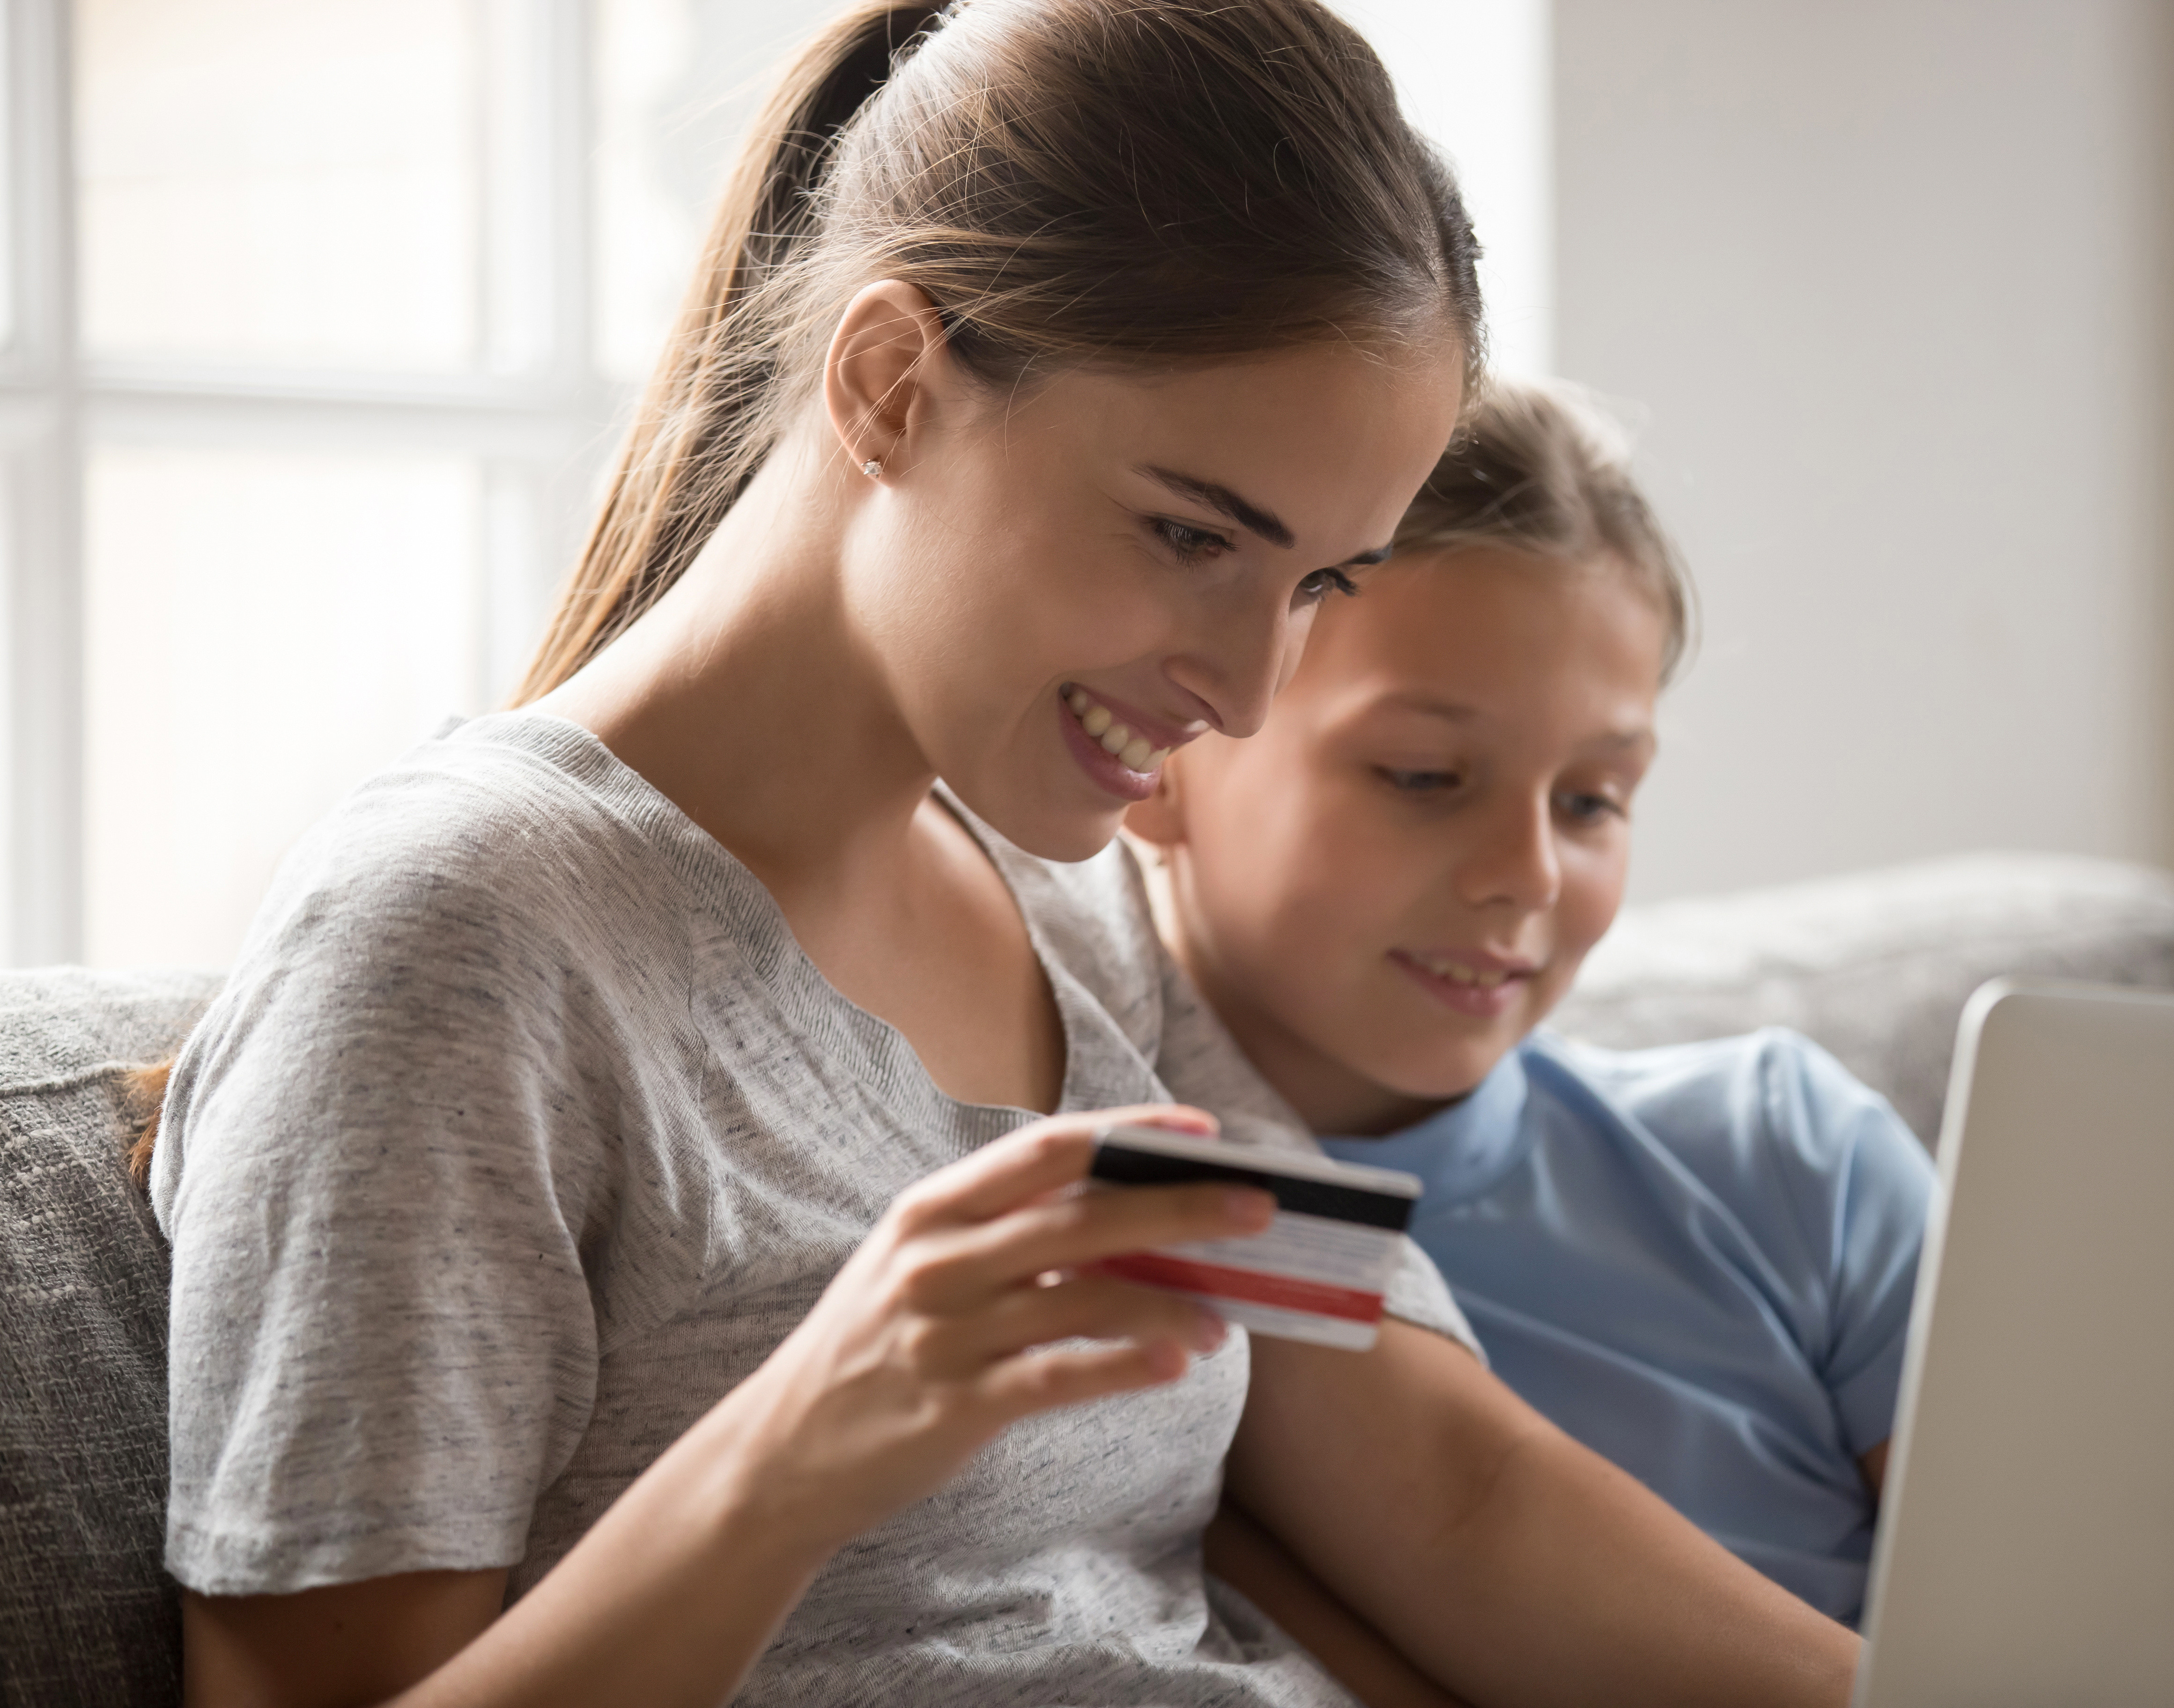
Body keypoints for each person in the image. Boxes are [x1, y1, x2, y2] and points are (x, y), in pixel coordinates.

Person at [142, 6, 1862, 1707]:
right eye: (1193, 534)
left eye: (1322, 582)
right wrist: (798, 1451)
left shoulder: (1079, 912)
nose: (1253, 692)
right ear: (892, 386)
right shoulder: (458, 942)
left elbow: (1455, 1495)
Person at [1134, 379, 1938, 1633]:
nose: (1528, 875)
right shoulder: (1130, 1233)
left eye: (1592, 800)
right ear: (1165, 756)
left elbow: (2063, 1624)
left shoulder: (1796, 1162)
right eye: (1423, 776)